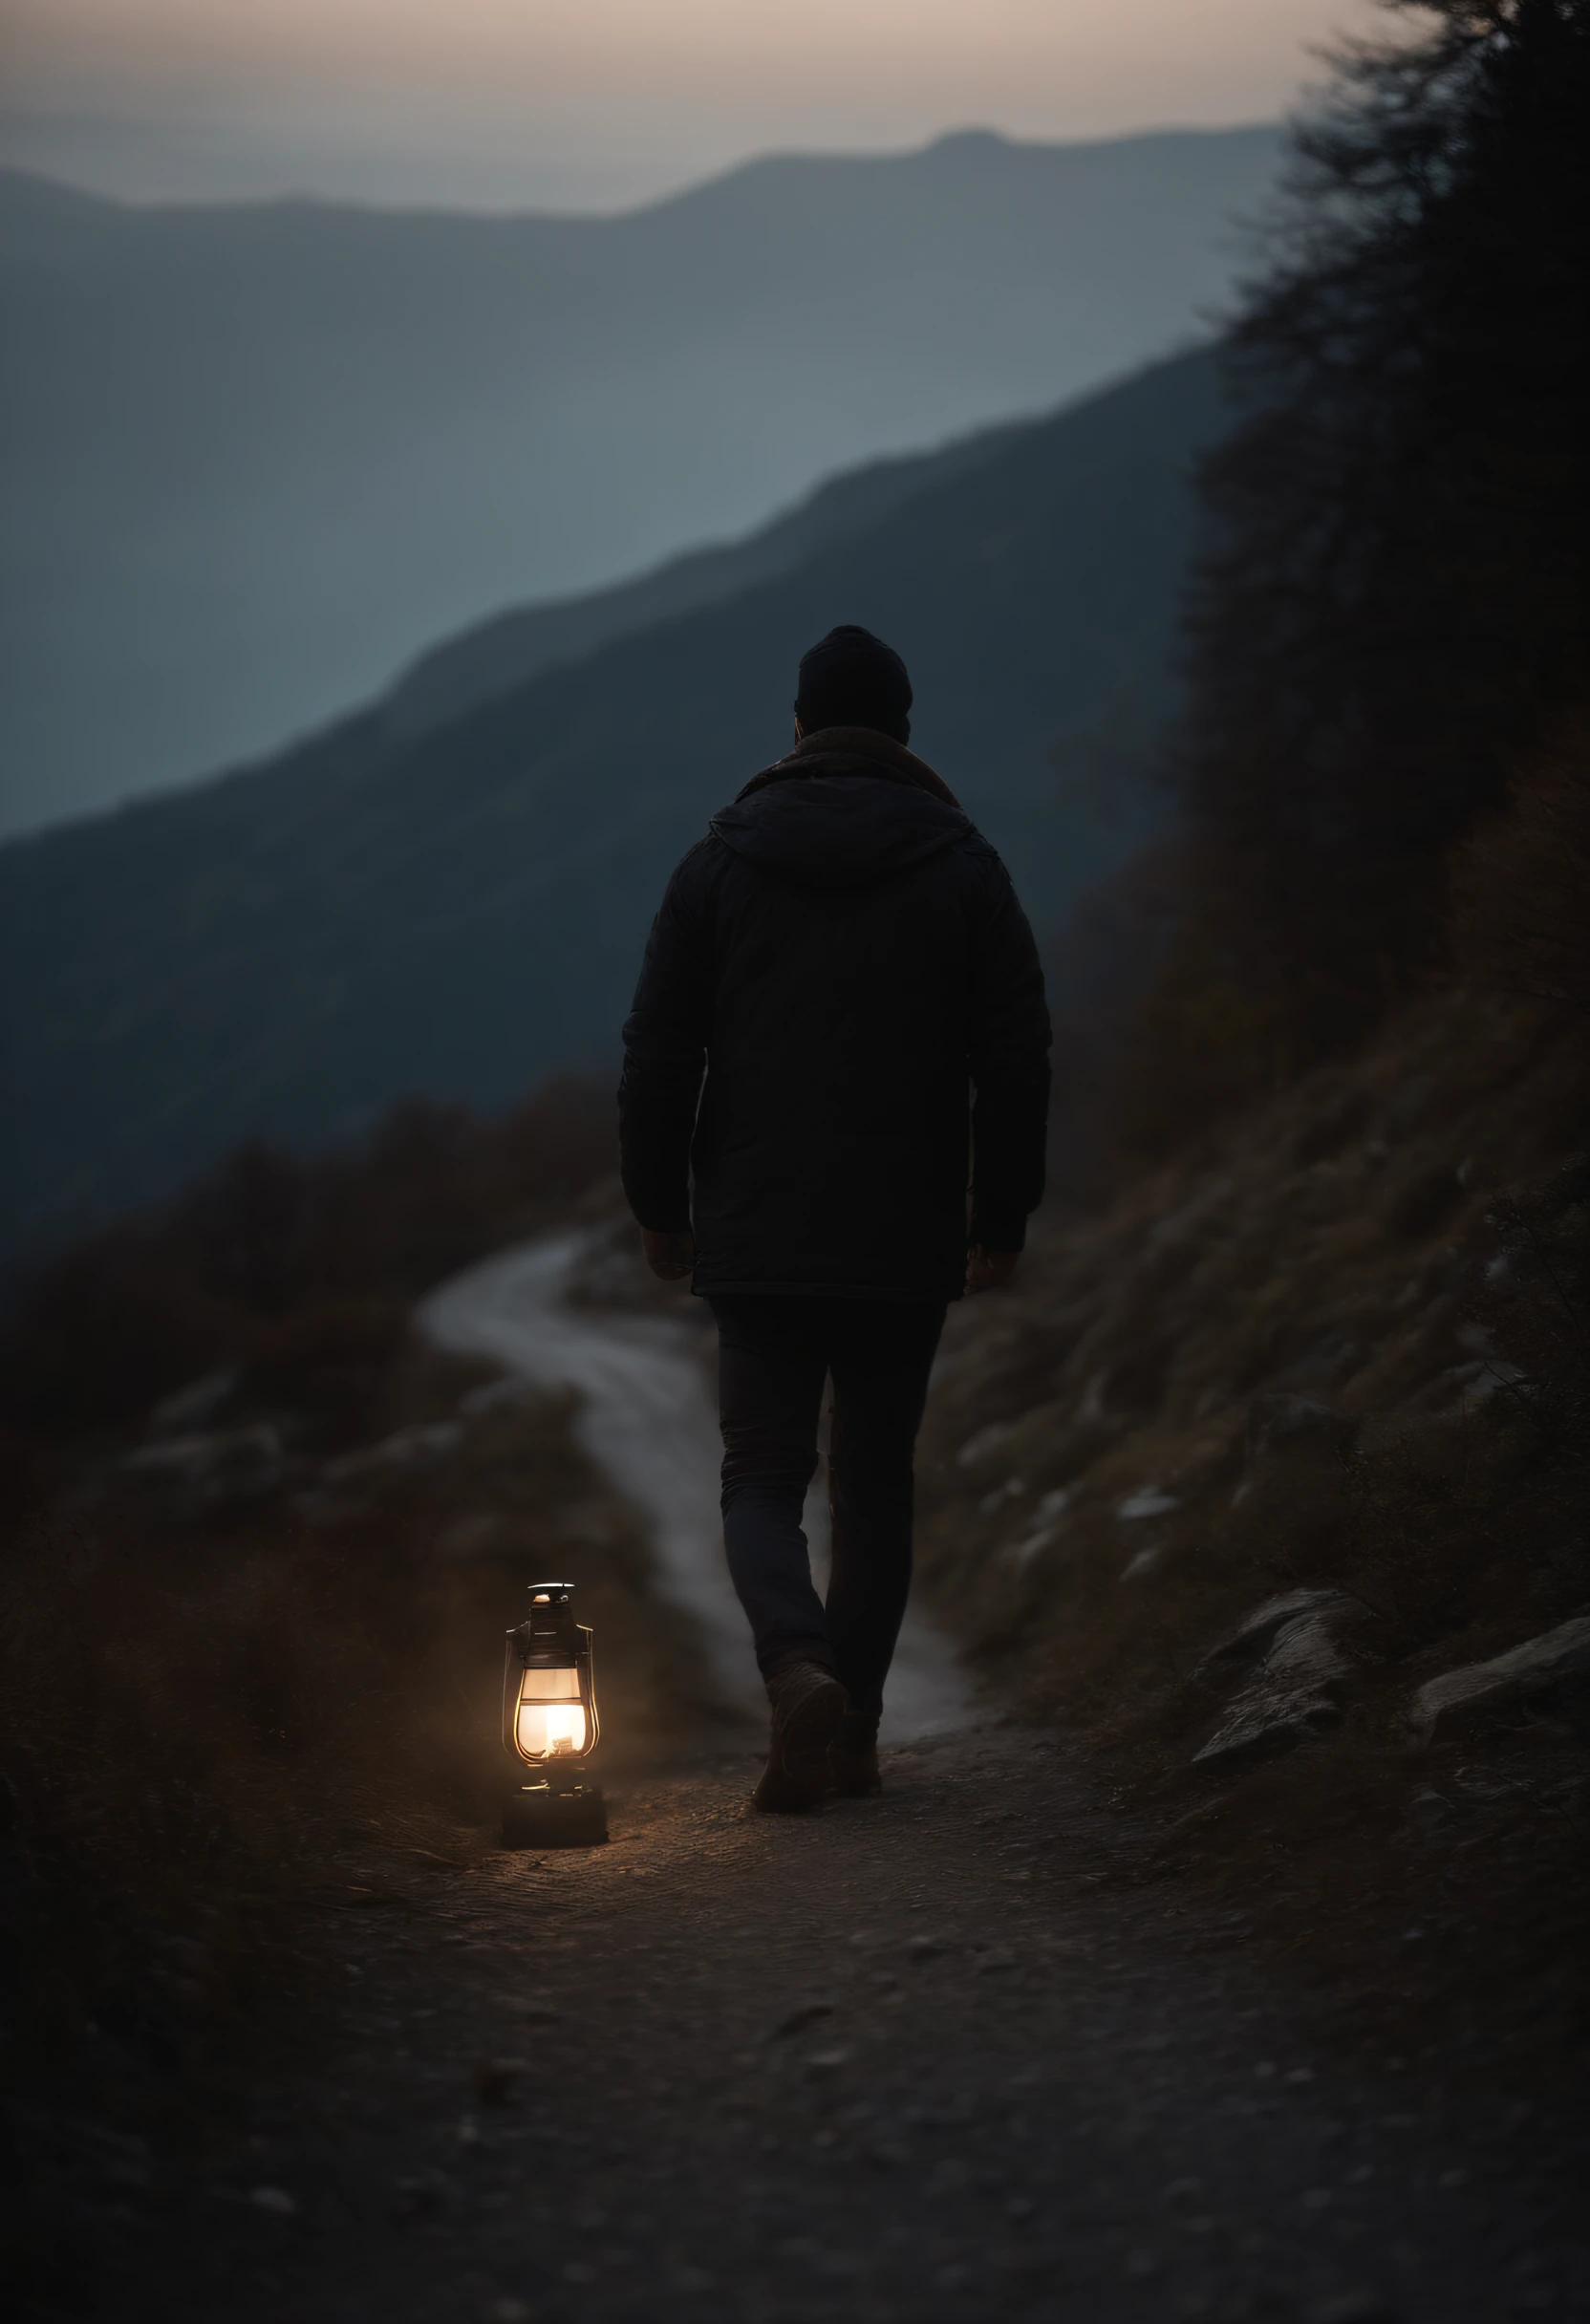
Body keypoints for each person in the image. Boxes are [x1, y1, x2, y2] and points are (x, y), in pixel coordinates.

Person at [618, 624, 1050, 1811]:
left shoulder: (716, 863)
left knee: (759, 1474)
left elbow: (658, 1052)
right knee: (873, 1485)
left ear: (798, 728)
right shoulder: (965, 864)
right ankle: (849, 1733)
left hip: (756, 1229)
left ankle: (793, 1666)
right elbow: (1014, 1057)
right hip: (902, 1233)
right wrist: (1000, 1212)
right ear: (903, 732)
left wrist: (659, 1206)